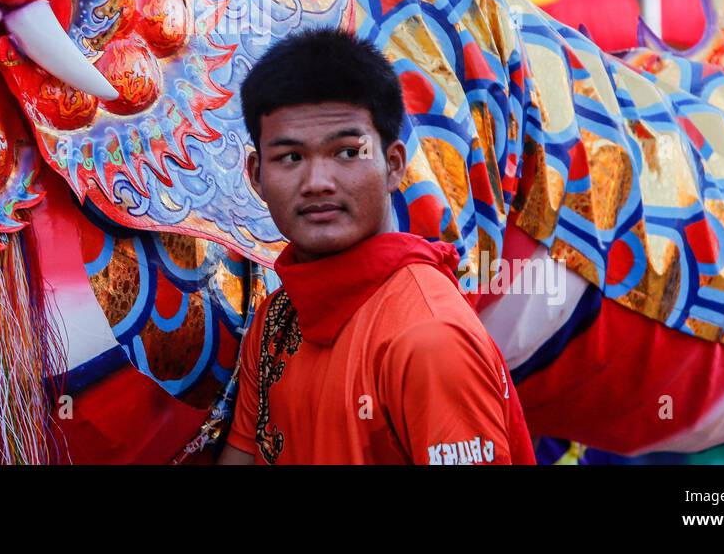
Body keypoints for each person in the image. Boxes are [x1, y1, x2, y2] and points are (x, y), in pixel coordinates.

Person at [219, 29, 535, 465]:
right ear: (256, 175)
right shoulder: (276, 321)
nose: (317, 183)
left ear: (393, 165)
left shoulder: (428, 339)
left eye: (348, 152)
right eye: (291, 157)